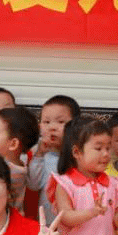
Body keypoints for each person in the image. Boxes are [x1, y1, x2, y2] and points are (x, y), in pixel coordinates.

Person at [29, 95, 80, 223]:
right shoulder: (38, 153)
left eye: (60, 122)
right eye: (46, 122)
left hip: (75, 223)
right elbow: (33, 185)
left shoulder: (80, 155)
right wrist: (39, 155)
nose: (52, 127)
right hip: (47, 223)